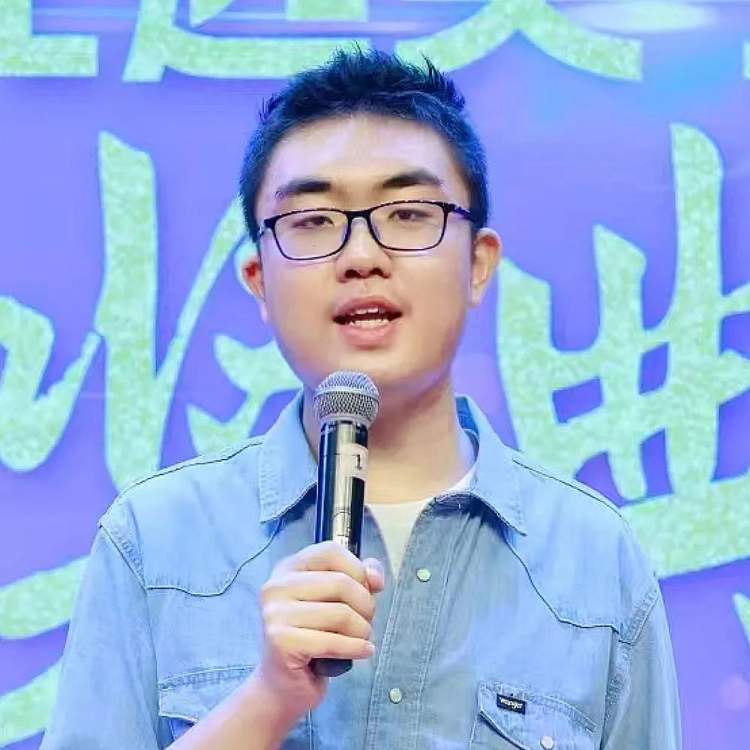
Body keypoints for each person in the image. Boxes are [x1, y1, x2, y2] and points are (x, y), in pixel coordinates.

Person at [41, 48, 681, 749]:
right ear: (258, 280)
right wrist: (267, 700)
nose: (361, 256)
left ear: (478, 264)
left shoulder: (595, 560)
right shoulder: (155, 540)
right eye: (313, 220)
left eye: (407, 213)